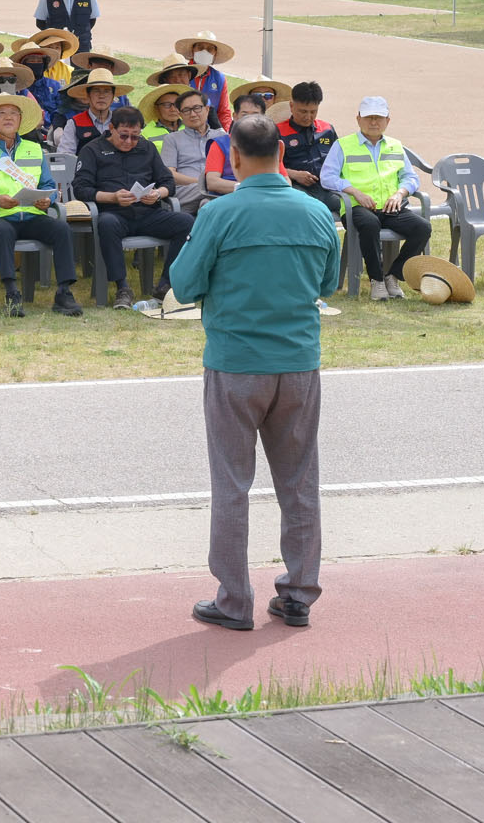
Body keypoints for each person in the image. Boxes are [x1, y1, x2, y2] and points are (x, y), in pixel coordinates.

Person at [170, 114, 340, 633]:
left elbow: (184, 283)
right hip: (298, 362)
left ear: (234, 157)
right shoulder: (315, 212)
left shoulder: (220, 213)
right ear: (282, 155)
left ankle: (234, 599)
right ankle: (298, 593)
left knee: (232, 484)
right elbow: (327, 284)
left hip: (236, 362)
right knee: (299, 481)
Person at [0, 93, 83, 318]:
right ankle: (11, 293)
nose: (8, 118)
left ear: (20, 119)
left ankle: (64, 293)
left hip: (32, 214)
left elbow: (48, 185)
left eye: (13, 113)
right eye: (2, 113)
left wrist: (48, 199)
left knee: (62, 229)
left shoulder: (34, 149)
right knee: (3, 231)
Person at [74, 105, 192, 308]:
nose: (129, 141)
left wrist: (157, 194)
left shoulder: (147, 148)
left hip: (148, 213)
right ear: (111, 128)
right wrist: (112, 197)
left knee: (187, 222)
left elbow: (168, 182)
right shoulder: (92, 150)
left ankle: (166, 284)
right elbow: (81, 189)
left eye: (135, 136)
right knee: (107, 224)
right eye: (124, 135)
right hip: (113, 213)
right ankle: (122, 288)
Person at [320, 96, 430, 301]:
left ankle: (393, 276)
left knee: (422, 228)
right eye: (368, 117)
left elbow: (411, 177)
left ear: (388, 121)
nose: (373, 122)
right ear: (358, 119)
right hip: (356, 208)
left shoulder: (396, 146)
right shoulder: (343, 145)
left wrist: (400, 193)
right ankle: (377, 281)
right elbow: (327, 177)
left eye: (378, 118)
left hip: (390, 208)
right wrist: (355, 192)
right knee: (370, 224)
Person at [278, 81, 342, 214]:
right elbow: (269, 166)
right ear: (291, 106)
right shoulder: (278, 132)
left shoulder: (327, 129)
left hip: (327, 188)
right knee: (309, 209)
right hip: (295, 188)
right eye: (303, 111)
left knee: (350, 207)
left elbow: (340, 161)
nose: (308, 117)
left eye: (313, 112)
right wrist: (295, 174)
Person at [160, 90, 225, 211]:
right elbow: (169, 174)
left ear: (207, 109)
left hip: (216, 191)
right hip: (186, 192)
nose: (193, 114)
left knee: (207, 203)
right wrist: (204, 183)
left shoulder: (221, 136)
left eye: (197, 108)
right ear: (180, 114)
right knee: (218, 190)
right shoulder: (172, 139)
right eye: (186, 110)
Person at [203, 95, 271, 196]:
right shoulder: (219, 144)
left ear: (264, 118)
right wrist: (249, 188)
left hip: (265, 197)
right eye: (244, 114)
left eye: (255, 115)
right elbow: (212, 182)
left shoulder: (269, 144)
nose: (250, 119)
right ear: (235, 116)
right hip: (229, 197)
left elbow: (284, 179)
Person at [55, 68, 122, 154]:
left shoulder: (121, 122)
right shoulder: (74, 123)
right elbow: (65, 155)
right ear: (88, 96)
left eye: (106, 91)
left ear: (113, 97)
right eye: (96, 91)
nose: (101, 96)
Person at [175, 31, 236, 125]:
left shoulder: (219, 78)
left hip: (211, 130)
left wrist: (225, 133)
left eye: (210, 49)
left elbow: (223, 112)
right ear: (193, 50)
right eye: (200, 47)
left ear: (215, 53)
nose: (204, 51)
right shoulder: (181, 74)